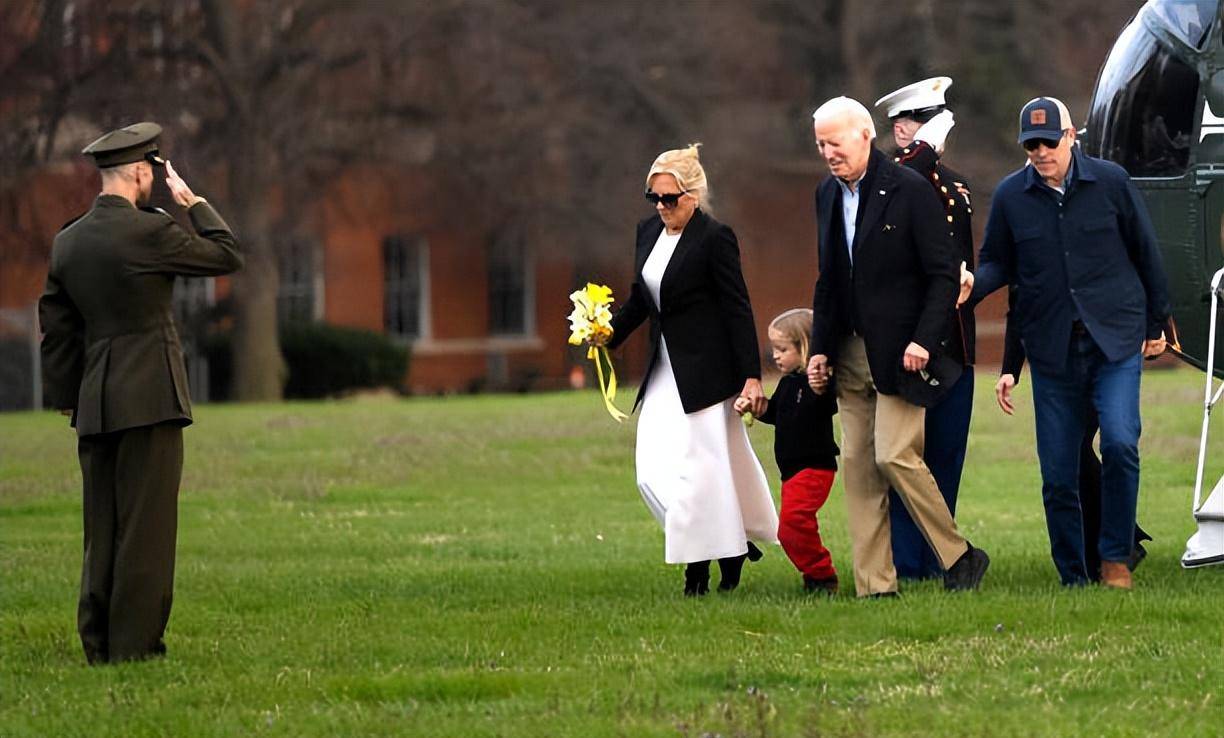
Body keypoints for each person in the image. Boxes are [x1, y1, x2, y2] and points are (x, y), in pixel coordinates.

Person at [39, 122, 242, 663]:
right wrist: (193, 202)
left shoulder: (68, 240)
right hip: (150, 394)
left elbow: (57, 327)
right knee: (146, 529)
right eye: (152, 170)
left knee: (101, 525)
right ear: (136, 171)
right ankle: (134, 646)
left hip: (95, 400)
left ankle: (98, 640)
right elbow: (226, 255)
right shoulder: (150, 232)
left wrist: (66, 396)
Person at [968, 97, 1170, 588]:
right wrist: (969, 284)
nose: (1040, 151)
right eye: (1030, 144)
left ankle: (1116, 559)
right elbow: (998, 264)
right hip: (1053, 352)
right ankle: (1073, 577)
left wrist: (1157, 322)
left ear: (1071, 135)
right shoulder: (1012, 196)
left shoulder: (1112, 182)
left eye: (1048, 141)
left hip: (1114, 341)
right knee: (1059, 474)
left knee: (1122, 444)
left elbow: (1146, 251)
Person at [806, 97, 989, 598]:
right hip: (849, 353)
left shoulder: (908, 188)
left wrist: (923, 341)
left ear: (865, 135)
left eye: (835, 142)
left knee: (893, 455)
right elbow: (829, 279)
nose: (828, 153)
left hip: (902, 352)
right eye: (821, 144)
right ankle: (875, 588)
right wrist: (820, 348)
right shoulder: (825, 194)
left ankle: (958, 554)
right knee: (860, 470)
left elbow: (942, 275)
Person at [605, 143, 778, 597]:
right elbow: (642, 299)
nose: (661, 207)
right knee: (651, 473)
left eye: (670, 198)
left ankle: (698, 569)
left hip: (708, 374)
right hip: (663, 368)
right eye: (654, 198)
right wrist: (608, 332)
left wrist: (751, 375)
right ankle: (729, 545)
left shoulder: (715, 238)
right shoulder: (647, 234)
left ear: (694, 196)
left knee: (702, 472)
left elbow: (737, 307)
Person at [875, 77, 977, 580]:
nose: (901, 127)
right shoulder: (890, 178)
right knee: (905, 462)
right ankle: (906, 563)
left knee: (946, 458)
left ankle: (944, 559)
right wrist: (921, 151)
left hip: (954, 342)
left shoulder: (956, 186)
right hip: (910, 341)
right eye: (899, 121)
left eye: (914, 119)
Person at [995, 289, 1152, 579]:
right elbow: (1021, 301)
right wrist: (1010, 368)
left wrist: (1156, 328)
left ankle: (1114, 548)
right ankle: (1114, 545)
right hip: (1059, 360)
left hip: (1105, 357)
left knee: (1082, 449)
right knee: (1073, 454)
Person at [734, 308, 840, 594]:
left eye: (783, 349)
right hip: (791, 472)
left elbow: (826, 402)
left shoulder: (820, 385)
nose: (776, 356)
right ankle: (817, 577)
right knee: (793, 528)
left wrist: (821, 383)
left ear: (804, 346)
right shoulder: (788, 383)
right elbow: (775, 413)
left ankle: (822, 575)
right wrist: (754, 408)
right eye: (774, 349)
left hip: (814, 468)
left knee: (792, 526)